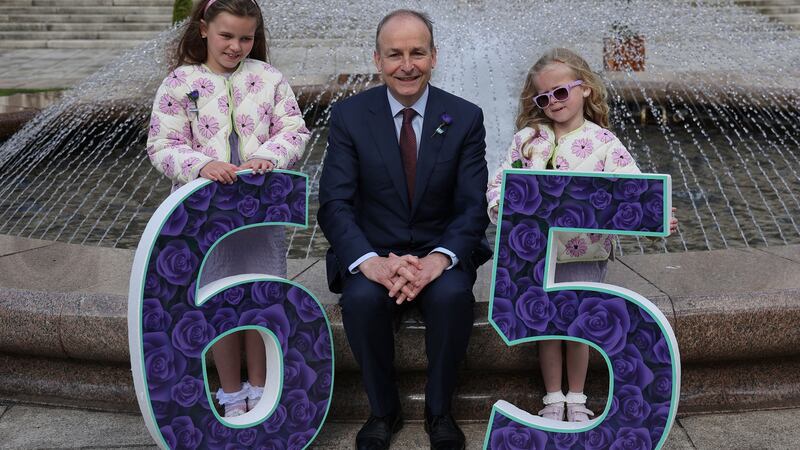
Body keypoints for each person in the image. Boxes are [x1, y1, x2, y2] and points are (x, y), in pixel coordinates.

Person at [318, 9, 491, 450]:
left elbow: (472, 207)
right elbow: (334, 203)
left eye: (417, 52)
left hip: (439, 252)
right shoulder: (348, 117)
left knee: (453, 296)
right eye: (395, 54)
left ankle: (440, 413)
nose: (406, 64)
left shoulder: (465, 117)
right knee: (359, 301)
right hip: (373, 253)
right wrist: (370, 262)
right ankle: (383, 412)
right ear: (377, 59)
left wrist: (438, 259)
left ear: (435, 56)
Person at [486, 47, 678, 423]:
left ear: (585, 88)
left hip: (585, 255)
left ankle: (577, 397)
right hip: (537, 253)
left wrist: (658, 216)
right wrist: (500, 209)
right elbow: (500, 182)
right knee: (546, 325)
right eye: (544, 97)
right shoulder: (528, 138)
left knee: (578, 325)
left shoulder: (604, 142)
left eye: (561, 92)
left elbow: (634, 187)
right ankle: (552, 396)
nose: (553, 102)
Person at [146, 0, 310, 418]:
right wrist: (203, 164)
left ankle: (262, 385)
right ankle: (232, 393)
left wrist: (269, 158)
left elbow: (294, 129)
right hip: (205, 216)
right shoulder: (180, 83)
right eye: (227, 35)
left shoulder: (269, 79)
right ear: (203, 30)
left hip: (259, 213)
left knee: (261, 294)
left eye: (246, 37)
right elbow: (162, 145)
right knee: (217, 298)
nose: (236, 46)